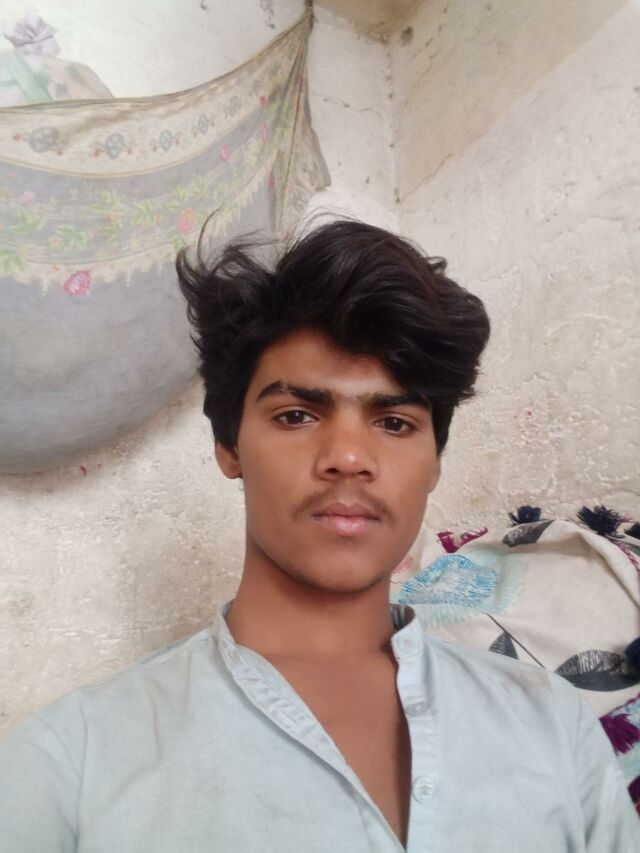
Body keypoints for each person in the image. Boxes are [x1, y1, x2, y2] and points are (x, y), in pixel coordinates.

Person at [0, 219, 638, 852]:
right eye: (297, 415)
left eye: (394, 422)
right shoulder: (67, 766)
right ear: (229, 446)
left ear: (434, 463)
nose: (348, 457)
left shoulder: (553, 724)